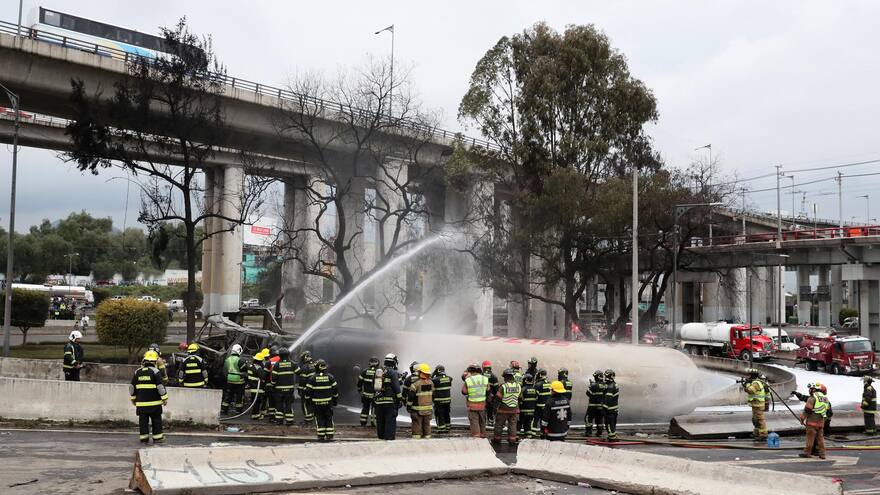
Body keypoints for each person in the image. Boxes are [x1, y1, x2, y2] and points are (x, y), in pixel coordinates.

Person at [129, 350, 168, 444]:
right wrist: (165, 398)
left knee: (143, 422)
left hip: (141, 404)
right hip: (155, 404)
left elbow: (132, 388)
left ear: (144, 361)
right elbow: (160, 387)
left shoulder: (137, 372)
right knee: (156, 421)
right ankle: (158, 438)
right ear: (155, 362)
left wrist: (133, 399)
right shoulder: (155, 372)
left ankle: (144, 438)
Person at [305, 359, 338, 441]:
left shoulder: (312, 378)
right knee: (329, 418)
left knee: (319, 418)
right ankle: (330, 434)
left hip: (317, 403)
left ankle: (321, 435)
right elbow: (335, 390)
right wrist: (335, 400)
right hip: (328, 403)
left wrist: (307, 400)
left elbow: (308, 392)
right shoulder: (330, 377)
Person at [374, 353, 403, 440]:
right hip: (390, 402)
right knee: (390, 420)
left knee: (380, 420)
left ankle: (381, 436)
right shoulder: (393, 373)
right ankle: (389, 437)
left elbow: (373, 385)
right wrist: (399, 399)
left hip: (379, 401)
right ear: (394, 362)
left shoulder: (378, 371)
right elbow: (396, 388)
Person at [799, 383, 829, 459]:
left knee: (810, 438)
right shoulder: (825, 399)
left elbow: (807, 410)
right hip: (821, 423)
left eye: (810, 389)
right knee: (820, 439)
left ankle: (807, 453)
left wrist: (802, 419)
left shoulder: (812, 398)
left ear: (814, 390)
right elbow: (827, 411)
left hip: (812, 423)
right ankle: (822, 454)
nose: (809, 390)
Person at [493, 368, 521, 445]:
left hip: (503, 410)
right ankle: (512, 440)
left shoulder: (503, 386)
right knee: (512, 425)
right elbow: (520, 398)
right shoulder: (518, 386)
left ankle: (497, 439)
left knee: (499, 424)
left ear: (505, 377)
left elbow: (497, 398)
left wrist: (495, 408)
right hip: (514, 409)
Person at [406, 363, 434, 439]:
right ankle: (427, 441)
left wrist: (408, 407)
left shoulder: (415, 384)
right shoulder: (431, 383)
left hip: (417, 411)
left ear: (420, 373)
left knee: (416, 427)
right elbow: (433, 395)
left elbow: (410, 397)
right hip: (428, 410)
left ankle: (416, 443)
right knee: (427, 426)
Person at [461, 362, 489, 438]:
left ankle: (476, 437)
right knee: (482, 421)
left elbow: (464, 392)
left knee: (474, 422)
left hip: (472, 405)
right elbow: (488, 389)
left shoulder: (468, 380)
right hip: (482, 405)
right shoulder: (485, 379)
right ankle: (483, 435)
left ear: (470, 371)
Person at [272, 348, 297, 425]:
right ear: (288, 354)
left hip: (279, 390)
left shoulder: (276, 365)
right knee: (288, 404)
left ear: (280, 355)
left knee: (279, 405)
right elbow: (299, 372)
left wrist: (273, 385)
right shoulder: (292, 364)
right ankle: (289, 421)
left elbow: (274, 377)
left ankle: (279, 421)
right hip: (289, 389)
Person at [743, 368, 767, 441]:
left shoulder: (756, 383)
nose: (748, 377)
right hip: (755, 404)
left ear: (752, 375)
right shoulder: (754, 382)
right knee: (755, 420)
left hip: (759, 404)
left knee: (760, 420)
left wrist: (746, 384)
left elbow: (750, 390)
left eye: (749, 375)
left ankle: (763, 434)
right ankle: (756, 433)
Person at [221, 344, 246, 415]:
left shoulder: (227, 360)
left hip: (229, 380)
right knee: (239, 396)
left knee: (228, 396)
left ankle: (224, 410)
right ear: (239, 351)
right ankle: (238, 411)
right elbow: (244, 371)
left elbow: (225, 371)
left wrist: (228, 377)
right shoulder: (240, 360)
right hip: (239, 382)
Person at [246, 348, 269, 420]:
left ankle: (255, 414)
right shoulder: (258, 368)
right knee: (257, 402)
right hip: (258, 388)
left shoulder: (251, 366)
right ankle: (255, 415)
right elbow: (262, 378)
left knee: (255, 402)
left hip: (253, 388)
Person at [357, 357, 380, 427]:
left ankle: (363, 423)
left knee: (365, 408)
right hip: (375, 395)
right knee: (375, 409)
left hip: (366, 395)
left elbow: (359, 382)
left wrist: (359, 389)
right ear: (377, 363)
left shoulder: (364, 371)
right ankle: (374, 423)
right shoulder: (379, 372)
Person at [295, 350, 315, 424]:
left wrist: (300, 390)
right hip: (314, 389)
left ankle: (308, 419)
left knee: (305, 404)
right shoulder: (315, 365)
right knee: (311, 403)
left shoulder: (305, 367)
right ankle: (311, 417)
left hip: (306, 389)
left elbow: (303, 380)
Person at [432, 364, 453, 434]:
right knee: (447, 414)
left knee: (440, 415)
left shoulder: (435, 380)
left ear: (437, 371)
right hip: (447, 401)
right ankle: (448, 427)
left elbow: (430, 381)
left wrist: (433, 374)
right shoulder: (449, 378)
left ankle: (441, 429)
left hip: (439, 401)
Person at [585, 370, 606, 437]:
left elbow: (588, 393)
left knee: (588, 419)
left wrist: (590, 386)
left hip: (592, 406)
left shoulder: (593, 385)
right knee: (599, 419)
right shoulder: (605, 385)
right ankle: (599, 432)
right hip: (601, 406)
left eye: (595, 376)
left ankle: (588, 432)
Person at [518, 373, 538, 438]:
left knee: (519, 423)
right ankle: (528, 437)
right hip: (532, 411)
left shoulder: (522, 389)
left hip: (523, 411)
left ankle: (517, 436)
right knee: (528, 425)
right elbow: (537, 399)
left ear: (525, 380)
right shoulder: (535, 389)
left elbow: (520, 400)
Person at [532, 369, 551, 436]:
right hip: (547, 406)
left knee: (535, 419)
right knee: (543, 420)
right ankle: (542, 433)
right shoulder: (549, 383)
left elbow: (535, 397)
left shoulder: (538, 385)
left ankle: (533, 433)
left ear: (539, 375)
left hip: (538, 406)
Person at [603, 369, 620, 441]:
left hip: (609, 409)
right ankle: (613, 434)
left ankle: (612, 437)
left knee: (609, 423)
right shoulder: (615, 384)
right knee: (613, 423)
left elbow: (608, 399)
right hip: (614, 409)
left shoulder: (610, 387)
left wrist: (604, 408)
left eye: (605, 376)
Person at [482, 360, 499, 427]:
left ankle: (483, 422)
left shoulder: (481, 375)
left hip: (481, 395)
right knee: (490, 409)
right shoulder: (494, 376)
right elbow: (496, 388)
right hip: (491, 396)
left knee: (482, 409)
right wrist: (495, 396)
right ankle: (490, 420)